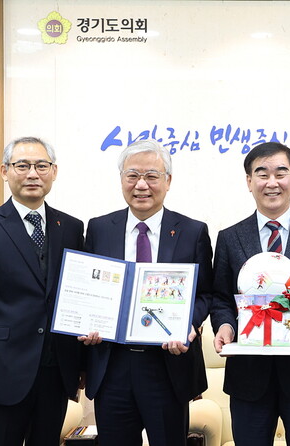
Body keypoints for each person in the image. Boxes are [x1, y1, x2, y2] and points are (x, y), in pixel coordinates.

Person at [0, 137, 84, 446]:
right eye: (22, 165)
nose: (32, 174)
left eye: (41, 166)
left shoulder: (71, 228)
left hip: (55, 373)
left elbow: (76, 297)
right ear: (5, 171)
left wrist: (80, 366)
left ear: (54, 172)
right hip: (0, 376)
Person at [79, 138, 213, 446]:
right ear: (121, 179)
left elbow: (205, 294)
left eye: (151, 176)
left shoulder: (193, 231)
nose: (141, 185)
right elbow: (89, 289)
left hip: (167, 366)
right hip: (111, 364)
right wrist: (88, 322)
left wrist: (188, 324)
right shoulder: (99, 228)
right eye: (132, 175)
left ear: (168, 181)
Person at [210, 142, 290, 446]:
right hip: (248, 377)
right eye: (262, 174)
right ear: (249, 181)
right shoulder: (229, 237)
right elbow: (221, 297)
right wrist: (225, 326)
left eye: (281, 173)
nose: (272, 182)